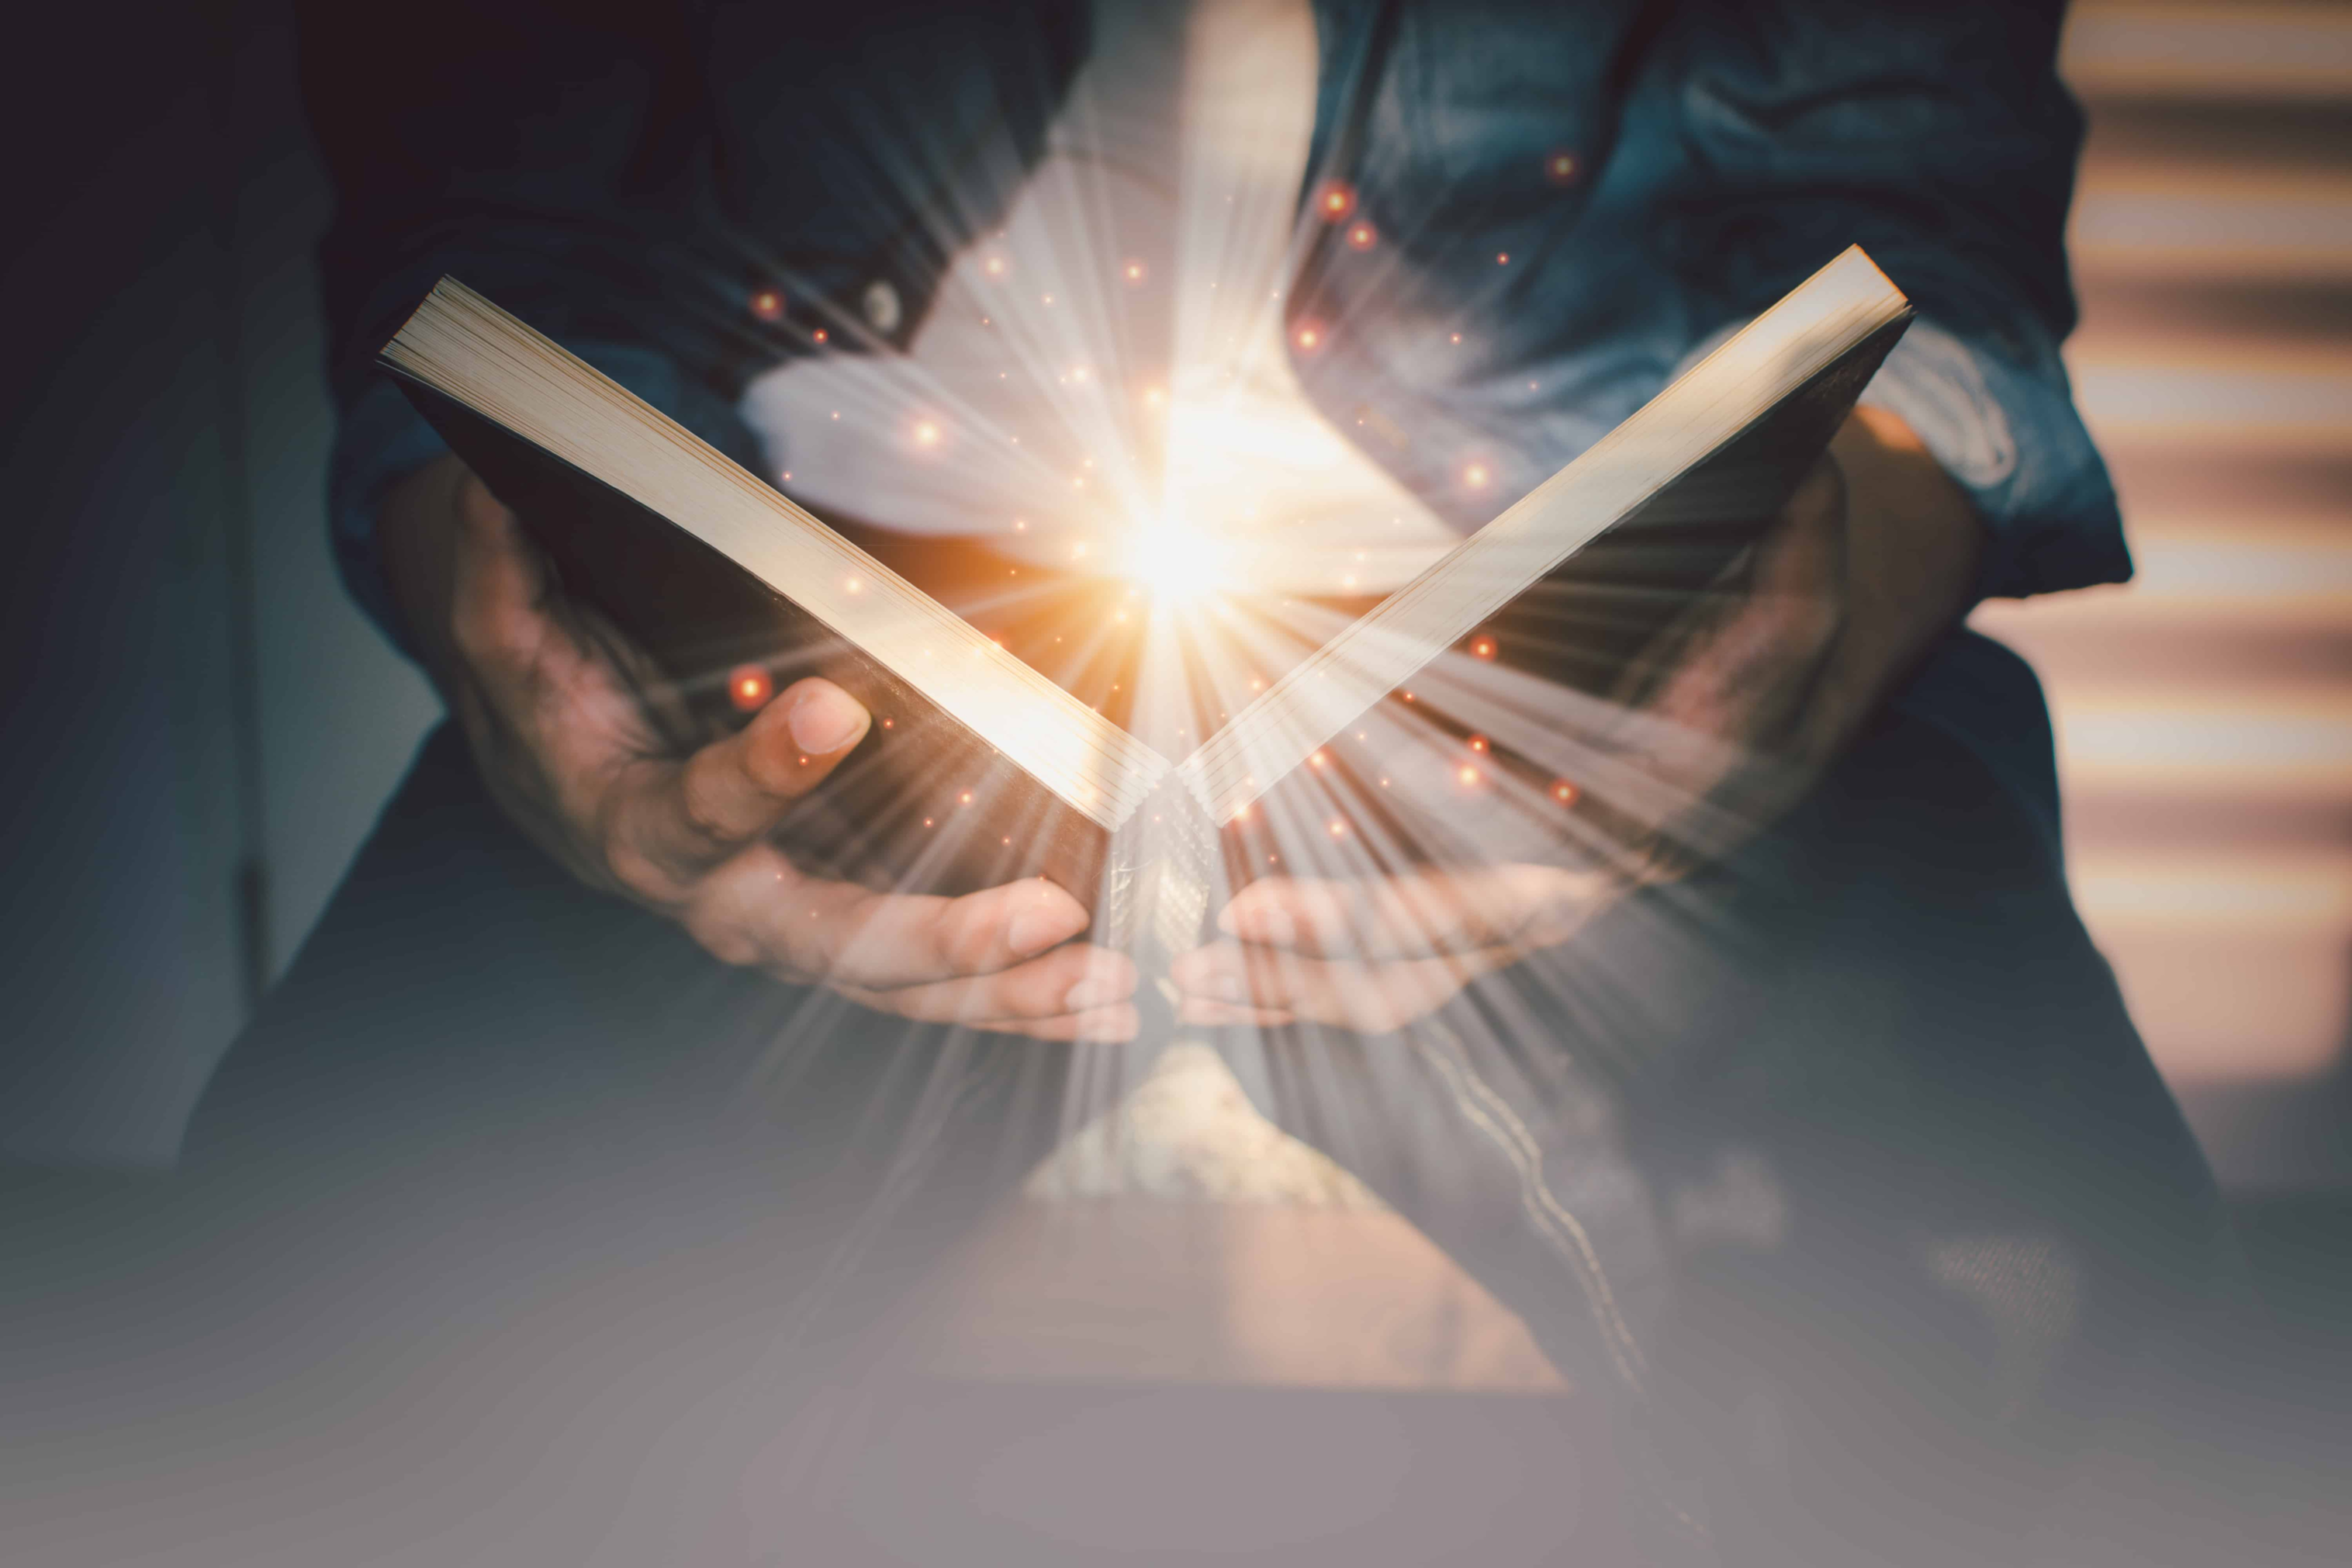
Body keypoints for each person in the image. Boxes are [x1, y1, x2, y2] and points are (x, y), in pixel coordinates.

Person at [183, 2, 2233, 1562]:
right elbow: (487, 203)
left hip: (1556, 600)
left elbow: (1911, 217)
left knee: (2050, 1343)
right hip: (822, 602)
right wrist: (493, 584)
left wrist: (1816, 606)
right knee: (312, 1293)